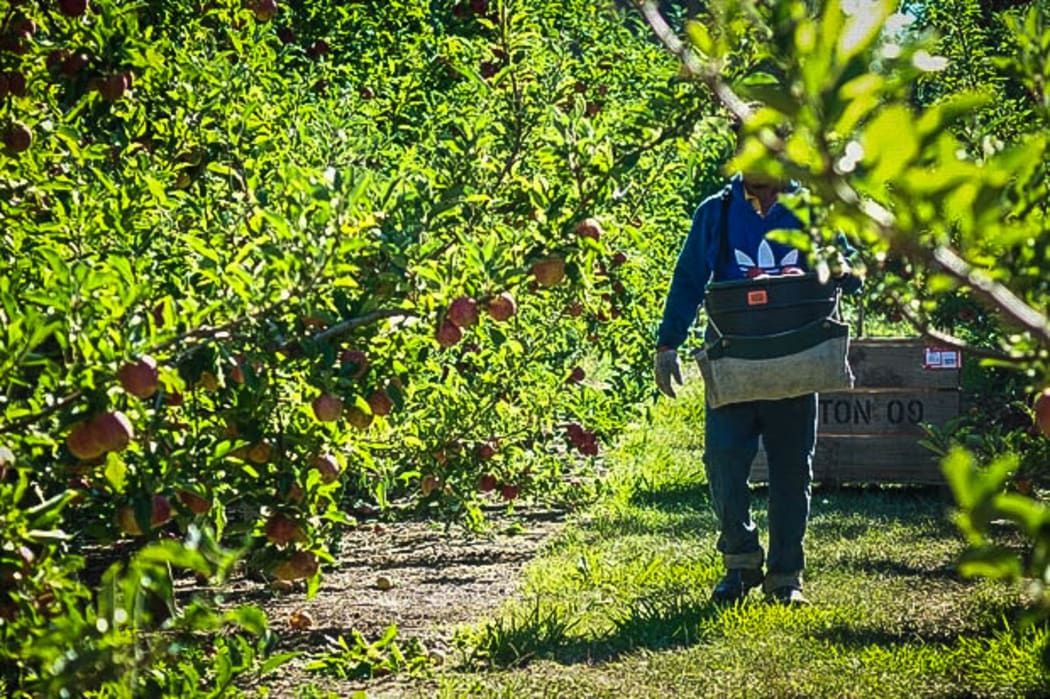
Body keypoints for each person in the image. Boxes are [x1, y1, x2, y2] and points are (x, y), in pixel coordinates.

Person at [653, 165, 860, 607]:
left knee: (791, 469)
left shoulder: (812, 212)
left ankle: (786, 576)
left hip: (795, 359)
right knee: (722, 460)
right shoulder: (718, 212)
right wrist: (667, 344)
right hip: (736, 362)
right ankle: (741, 562)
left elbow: (852, 273)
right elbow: (689, 279)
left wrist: (844, 269)